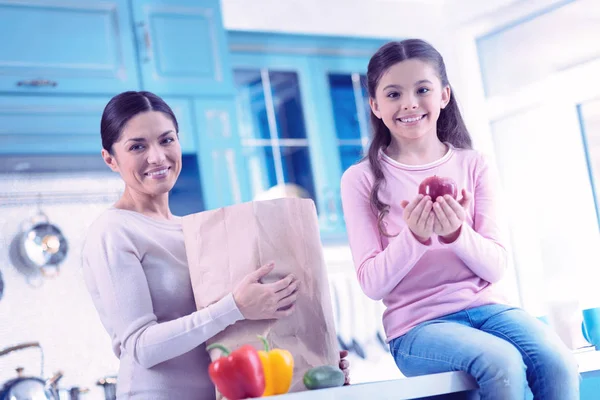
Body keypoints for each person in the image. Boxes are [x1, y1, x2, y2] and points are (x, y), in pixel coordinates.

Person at [340, 39, 579, 399]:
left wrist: (456, 234)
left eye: (422, 89)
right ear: (375, 105)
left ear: (444, 96)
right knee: (502, 363)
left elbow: (495, 266)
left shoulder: (474, 164)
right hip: (417, 328)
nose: (409, 103)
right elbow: (373, 285)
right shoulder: (361, 179)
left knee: (558, 361)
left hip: (489, 310)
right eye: (393, 94)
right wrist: (415, 238)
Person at [82, 91, 349, 400]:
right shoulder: (113, 230)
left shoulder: (191, 230)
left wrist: (315, 363)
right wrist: (235, 306)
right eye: (137, 146)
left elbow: (225, 334)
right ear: (110, 159)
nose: (157, 157)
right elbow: (142, 347)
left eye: (166, 140)